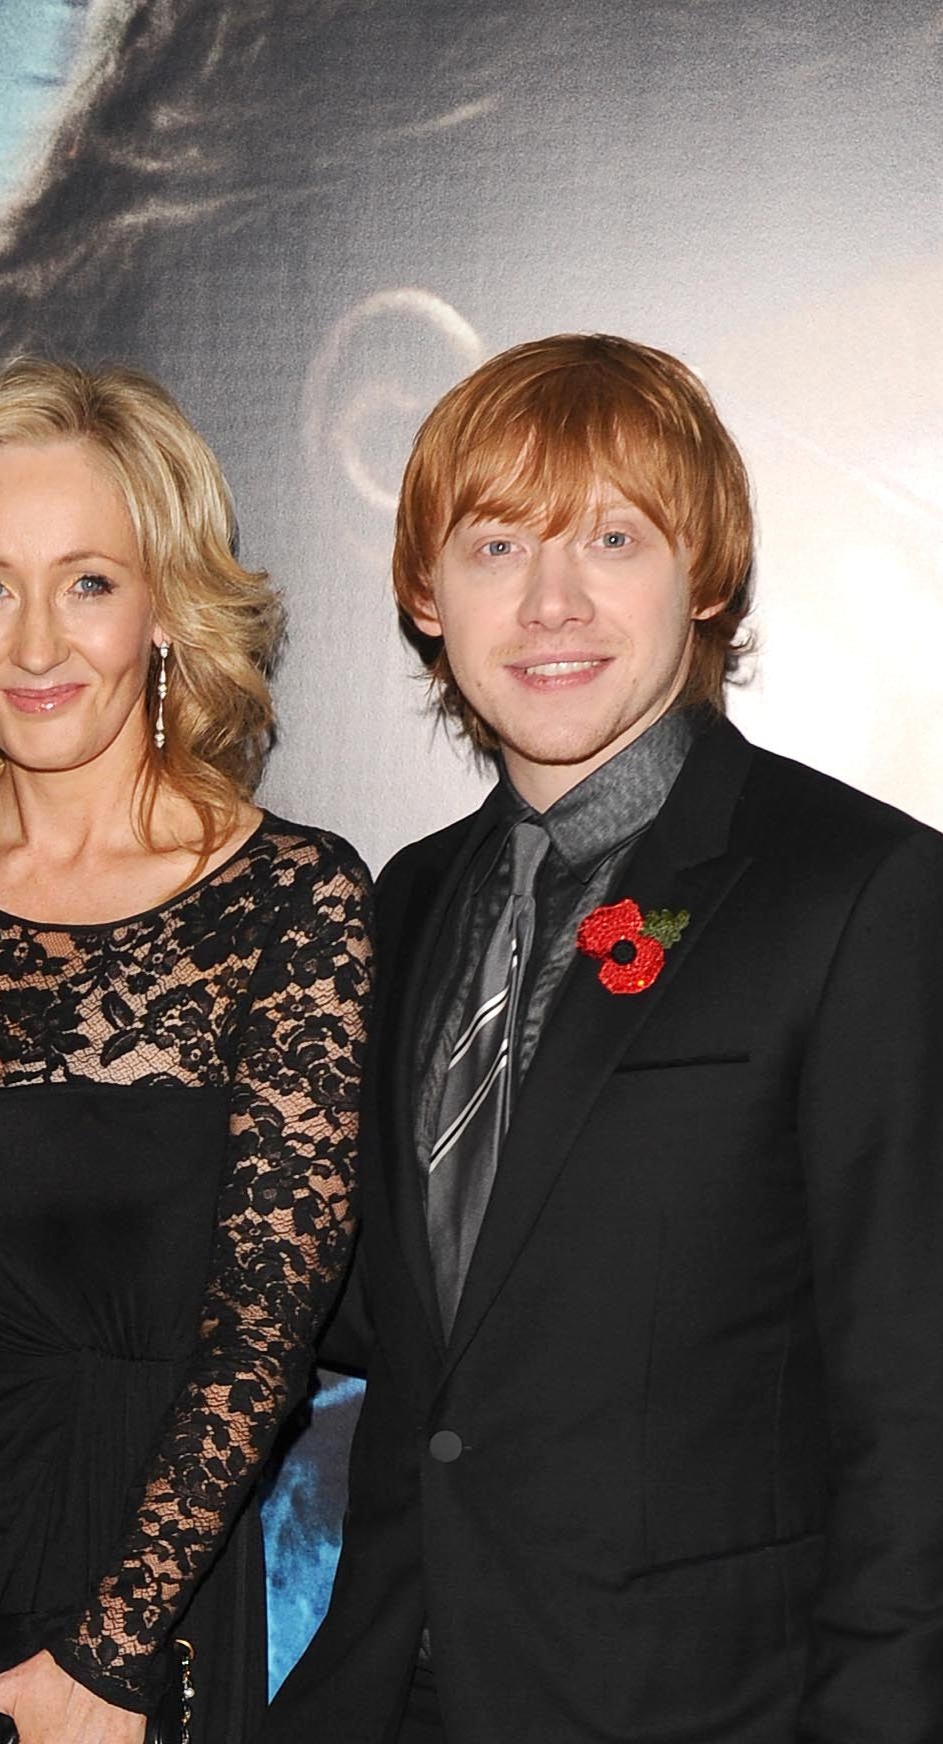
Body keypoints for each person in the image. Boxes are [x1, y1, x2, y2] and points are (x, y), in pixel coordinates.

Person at [266, 334, 943, 1743]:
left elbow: (915, 1400)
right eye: (496, 544)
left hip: (699, 1709)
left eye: (612, 539)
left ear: (703, 572)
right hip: (387, 1690)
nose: (549, 602)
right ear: (421, 591)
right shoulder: (403, 900)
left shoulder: (858, 891)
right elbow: (390, 1319)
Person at [0, 361, 369, 1744]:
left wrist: (106, 1658)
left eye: (87, 583)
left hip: (102, 1579)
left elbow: (263, 1331)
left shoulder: (288, 900)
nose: (35, 643)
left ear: (164, 602)